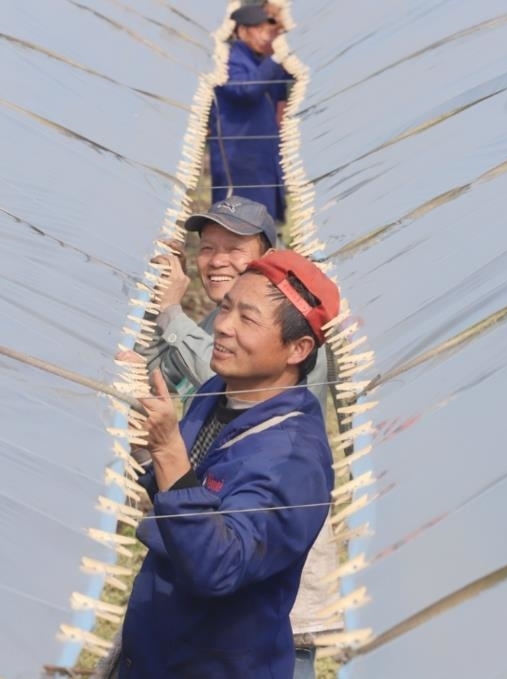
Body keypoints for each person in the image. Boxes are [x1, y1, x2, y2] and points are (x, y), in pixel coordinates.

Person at [124, 196, 343, 677]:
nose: (222, 326)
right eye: (224, 310)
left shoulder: (293, 460)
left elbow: (217, 565)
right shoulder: (216, 394)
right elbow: (188, 485)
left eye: (246, 319)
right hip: (166, 648)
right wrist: (147, 450)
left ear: (297, 348)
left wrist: (167, 451)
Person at [210, 4, 293, 222]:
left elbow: (281, 93)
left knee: (265, 219)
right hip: (238, 155)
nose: (266, 36)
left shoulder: (261, 60)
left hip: (263, 154)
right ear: (242, 30)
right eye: (260, 29)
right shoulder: (229, 58)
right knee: (237, 219)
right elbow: (246, 91)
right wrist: (274, 61)